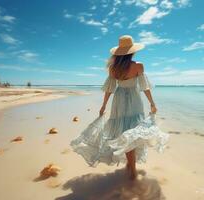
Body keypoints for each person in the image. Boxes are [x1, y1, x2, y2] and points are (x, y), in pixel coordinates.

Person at [71, 35, 169, 180]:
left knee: (126, 131)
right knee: (133, 131)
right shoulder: (138, 66)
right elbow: (144, 87)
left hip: (119, 100)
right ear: (132, 51)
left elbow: (109, 89)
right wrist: (152, 103)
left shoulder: (113, 68)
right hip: (134, 100)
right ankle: (132, 169)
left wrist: (104, 105)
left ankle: (130, 165)